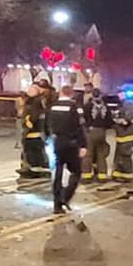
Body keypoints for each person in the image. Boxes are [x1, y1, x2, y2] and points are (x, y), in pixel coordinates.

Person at [47, 85, 88, 214]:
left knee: (58, 172)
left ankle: (57, 204)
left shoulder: (53, 106)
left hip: (57, 142)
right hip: (71, 143)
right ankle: (66, 196)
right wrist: (83, 145)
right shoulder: (75, 107)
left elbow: (46, 123)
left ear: (60, 93)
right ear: (71, 94)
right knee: (76, 171)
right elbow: (79, 127)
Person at [19, 84, 51, 177]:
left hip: (31, 136)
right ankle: (40, 169)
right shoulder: (41, 106)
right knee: (39, 154)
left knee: (33, 155)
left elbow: (29, 121)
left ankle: (34, 171)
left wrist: (26, 130)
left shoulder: (31, 107)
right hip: (39, 135)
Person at [83, 87, 113, 183]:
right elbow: (109, 121)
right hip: (102, 132)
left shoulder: (87, 106)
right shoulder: (106, 106)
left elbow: (83, 119)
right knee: (101, 154)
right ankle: (102, 176)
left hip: (91, 132)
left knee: (88, 155)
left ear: (92, 95)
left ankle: (86, 176)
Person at [111, 91, 133, 182]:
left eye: (121, 94)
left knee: (125, 154)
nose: (119, 96)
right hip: (121, 134)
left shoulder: (129, 104)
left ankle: (127, 176)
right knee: (119, 155)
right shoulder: (121, 105)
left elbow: (127, 119)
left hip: (128, 134)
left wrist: (119, 121)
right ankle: (118, 173)